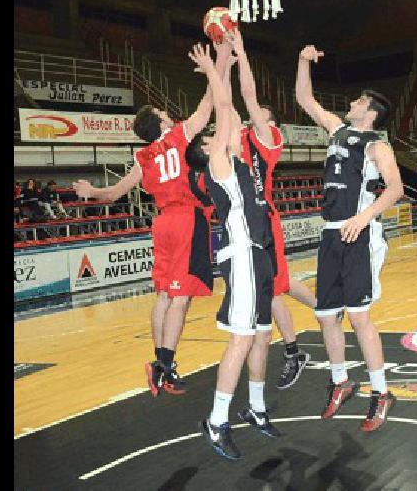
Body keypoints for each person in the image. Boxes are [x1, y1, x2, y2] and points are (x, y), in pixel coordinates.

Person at [71, 43, 221, 400]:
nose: (169, 112)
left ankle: (161, 364)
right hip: (186, 219)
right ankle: (164, 367)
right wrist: (213, 71)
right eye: (163, 111)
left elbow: (113, 195)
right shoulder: (179, 135)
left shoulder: (142, 156)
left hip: (162, 223)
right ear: (162, 121)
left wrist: (91, 191)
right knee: (180, 298)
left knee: (164, 296)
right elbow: (207, 107)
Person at [297, 43, 403, 432]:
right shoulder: (336, 129)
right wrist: (302, 62)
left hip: (359, 233)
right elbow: (304, 98)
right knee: (325, 315)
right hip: (330, 233)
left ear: (370, 112)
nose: (352, 102)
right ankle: (341, 381)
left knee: (359, 317)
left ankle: (381, 392)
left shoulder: (378, 146)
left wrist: (364, 216)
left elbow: (394, 188)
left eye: (358, 100)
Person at [186, 38, 280, 461]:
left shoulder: (242, 162)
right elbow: (225, 110)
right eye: (211, 137)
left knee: (262, 335)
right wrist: (214, 68)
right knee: (241, 340)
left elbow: (237, 107)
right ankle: (217, 420)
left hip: (259, 254)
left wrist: (227, 59)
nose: (222, 133)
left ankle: (256, 409)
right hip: (241, 255)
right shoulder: (218, 165)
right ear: (205, 150)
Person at [229, 30, 318, 390]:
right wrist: (221, 66)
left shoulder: (268, 140)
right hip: (243, 223)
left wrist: (241, 51)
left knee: (274, 289)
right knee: (277, 286)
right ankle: (324, 307)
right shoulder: (241, 137)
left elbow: (247, 96)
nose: (255, 117)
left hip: (263, 220)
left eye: (262, 116)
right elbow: (229, 105)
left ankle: (295, 349)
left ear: (272, 125)